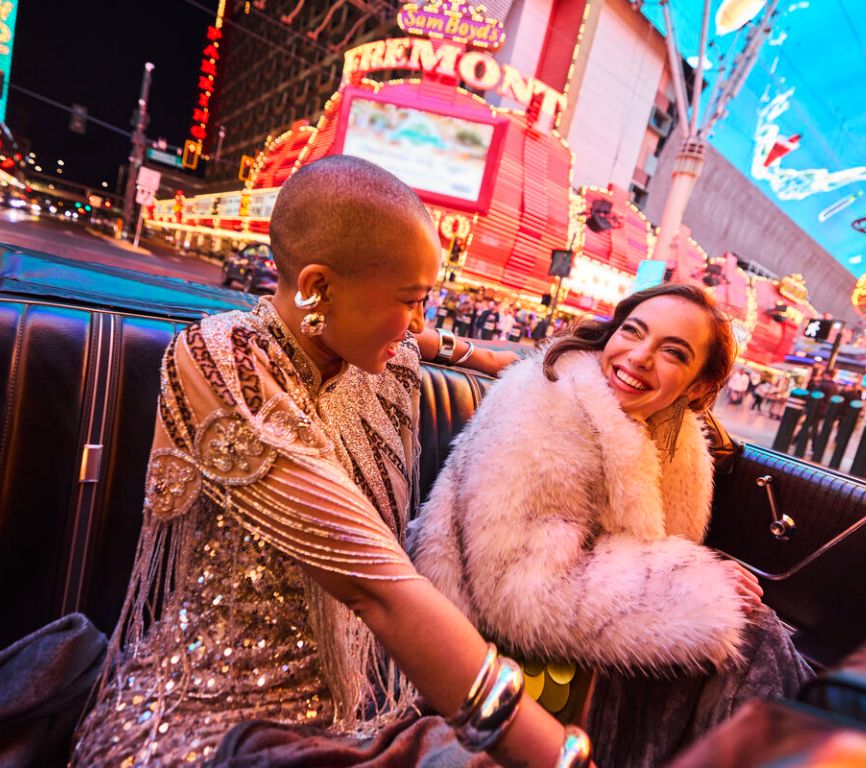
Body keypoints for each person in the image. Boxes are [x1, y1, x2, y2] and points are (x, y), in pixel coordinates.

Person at [72, 157, 589, 768]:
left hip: (353, 704)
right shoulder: (223, 358)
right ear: (318, 287)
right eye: (412, 299)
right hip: (209, 712)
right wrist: (562, 757)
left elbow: (419, 340)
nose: (419, 321)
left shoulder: (371, 347)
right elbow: (378, 590)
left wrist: (482, 355)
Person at [411, 283, 812, 768]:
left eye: (673, 352)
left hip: (580, 630)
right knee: (750, 642)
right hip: (482, 639)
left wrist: (691, 583)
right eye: (632, 331)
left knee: (752, 634)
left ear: (699, 386)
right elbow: (516, 588)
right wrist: (692, 584)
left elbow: (644, 550)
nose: (639, 356)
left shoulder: (674, 435)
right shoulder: (545, 408)